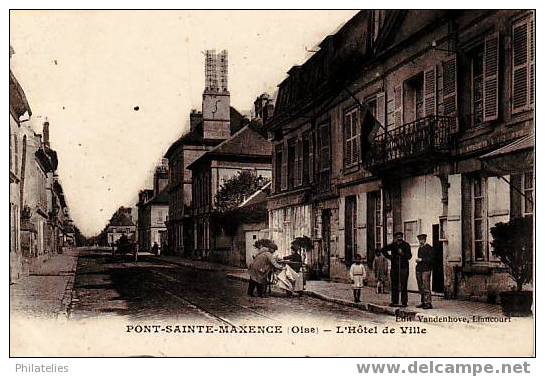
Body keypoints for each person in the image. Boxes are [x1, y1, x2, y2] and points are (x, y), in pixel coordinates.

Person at [381, 231, 412, 307]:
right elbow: (383, 249)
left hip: (403, 268)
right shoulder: (393, 245)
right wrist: (390, 257)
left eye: (400, 237)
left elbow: (409, 256)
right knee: (394, 285)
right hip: (394, 268)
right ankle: (394, 301)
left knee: (403, 285)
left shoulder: (406, 245)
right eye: (397, 237)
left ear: (402, 238)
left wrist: (403, 254)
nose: (399, 239)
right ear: (395, 238)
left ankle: (404, 302)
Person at [415, 233, 433, 309]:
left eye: (421, 240)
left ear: (424, 239)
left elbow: (431, 259)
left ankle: (428, 303)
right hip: (419, 269)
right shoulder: (420, 248)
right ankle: (423, 302)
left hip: (426, 269)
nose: (420, 241)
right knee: (421, 287)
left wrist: (421, 260)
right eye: (419, 240)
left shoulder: (429, 248)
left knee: (426, 287)